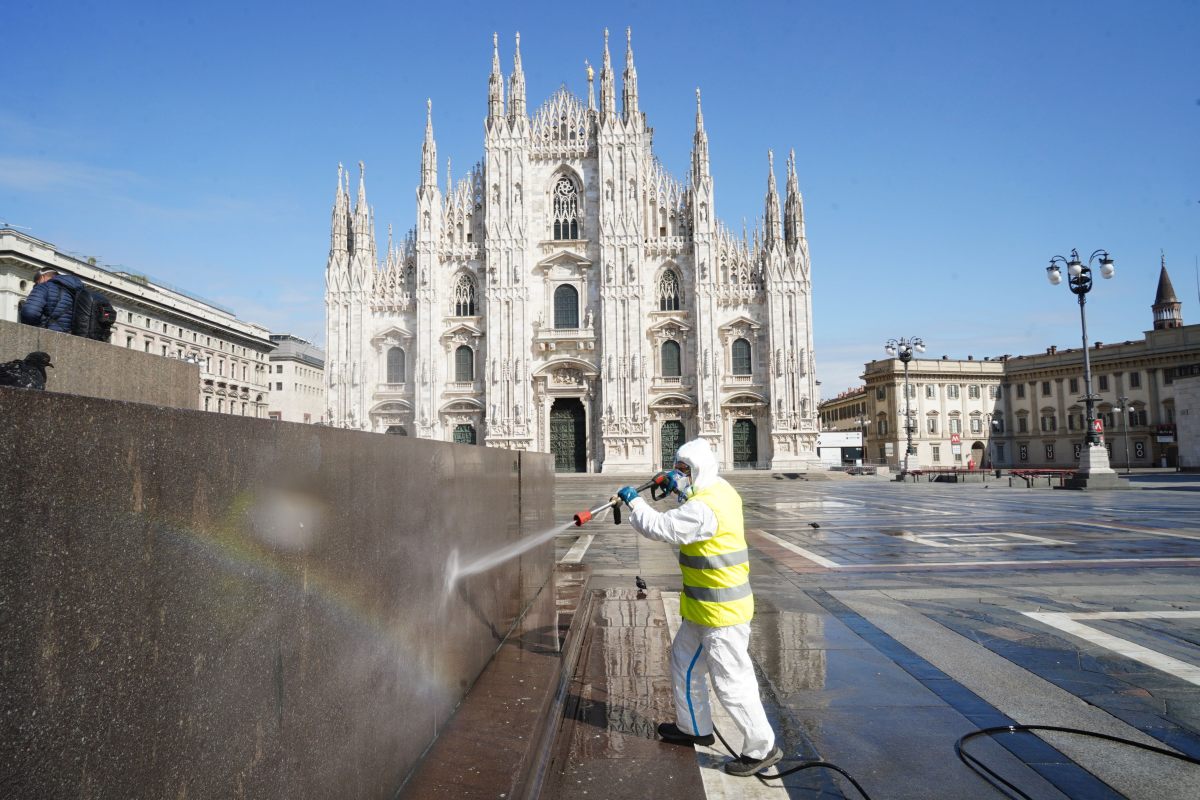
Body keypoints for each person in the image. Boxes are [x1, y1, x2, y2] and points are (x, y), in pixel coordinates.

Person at [616, 439, 782, 777]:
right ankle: (694, 727)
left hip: (723, 612)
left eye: (684, 470)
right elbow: (694, 501)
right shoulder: (719, 490)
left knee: (731, 682)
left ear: (700, 470)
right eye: (678, 468)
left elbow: (664, 528)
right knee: (683, 662)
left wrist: (635, 502)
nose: (679, 475)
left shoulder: (706, 508)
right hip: (703, 609)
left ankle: (761, 748)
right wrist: (680, 487)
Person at [19, 268, 84, 333]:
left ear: (42, 277)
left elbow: (29, 313)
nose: (35, 286)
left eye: (36, 283)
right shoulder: (78, 293)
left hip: (46, 334)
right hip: (70, 338)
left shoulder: (43, 287)